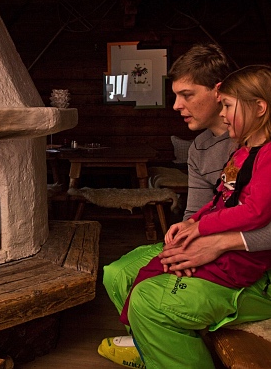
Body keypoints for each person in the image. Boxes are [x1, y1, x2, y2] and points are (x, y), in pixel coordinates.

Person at [97, 44, 271, 369]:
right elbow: (197, 212)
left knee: (151, 300)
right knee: (118, 272)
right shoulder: (201, 149)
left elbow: (256, 214)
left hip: (252, 266)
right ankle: (152, 347)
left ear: (219, 92)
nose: (177, 106)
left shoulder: (260, 146)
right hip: (212, 245)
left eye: (187, 95)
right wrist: (184, 241)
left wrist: (216, 243)